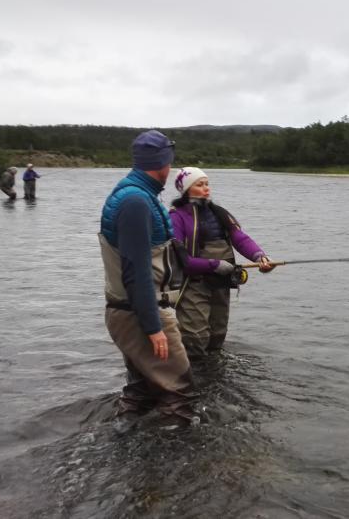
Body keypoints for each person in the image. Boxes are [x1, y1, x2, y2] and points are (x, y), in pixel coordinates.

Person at [99, 130, 196, 433]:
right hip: (141, 312)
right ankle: (172, 467)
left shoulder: (134, 194)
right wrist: (154, 328)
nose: (172, 169)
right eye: (171, 162)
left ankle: (126, 447)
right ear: (162, 162)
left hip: (129, 311)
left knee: (141, 389)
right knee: (179, 394)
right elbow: (137, 271)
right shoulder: (136, 202)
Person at [168, 167, 275, 361]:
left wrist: (260, 257)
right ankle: (193, 374)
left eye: (207, 184)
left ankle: (214, 372)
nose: (206, 188)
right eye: (200, 185)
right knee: (195, 336)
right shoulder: (176, 217)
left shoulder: (219, 213)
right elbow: (180, 258)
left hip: (221, 281)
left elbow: (240, 239)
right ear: (185, 189)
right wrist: (214, 265)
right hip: (192, 283)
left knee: (218, 332)